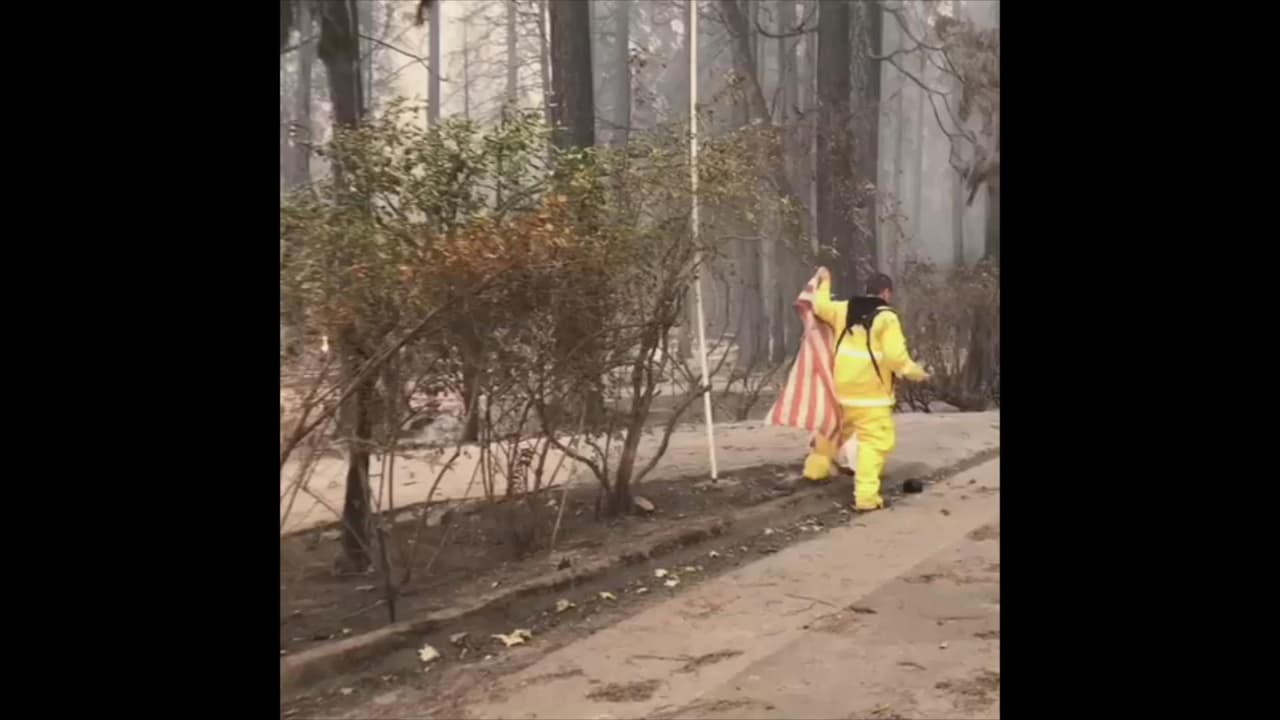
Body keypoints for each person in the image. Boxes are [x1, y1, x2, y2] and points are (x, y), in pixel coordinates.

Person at [802, 272, 929, 511]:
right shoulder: (887, 318)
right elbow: (896, 358)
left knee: (833, 429)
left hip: (841, 389)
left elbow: (818, 306)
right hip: (872, 397)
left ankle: (815, 470)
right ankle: (867, 497)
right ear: (886, 293)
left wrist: (825, 281)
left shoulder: (843, 309)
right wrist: (916, 372)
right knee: (874, 442)